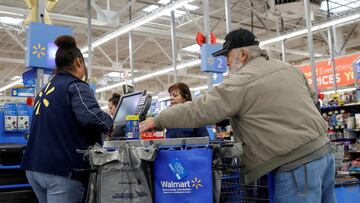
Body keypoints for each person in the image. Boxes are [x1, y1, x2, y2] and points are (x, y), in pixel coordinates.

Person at [140, 28, 335, 203]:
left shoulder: (243, 80)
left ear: (242, 54)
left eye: (227, 56)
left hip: (295, 165)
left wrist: (157, 120)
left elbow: (200, 109)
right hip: (324, 154)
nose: (224, 63)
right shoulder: (290, 69)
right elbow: (314, 102)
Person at [21, 35, 113, 203]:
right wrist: (112, 124)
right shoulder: (75, 86)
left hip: (35, 168)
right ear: (79, 62)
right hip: (61, 171)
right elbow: (90, 116)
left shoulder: (45, 89)